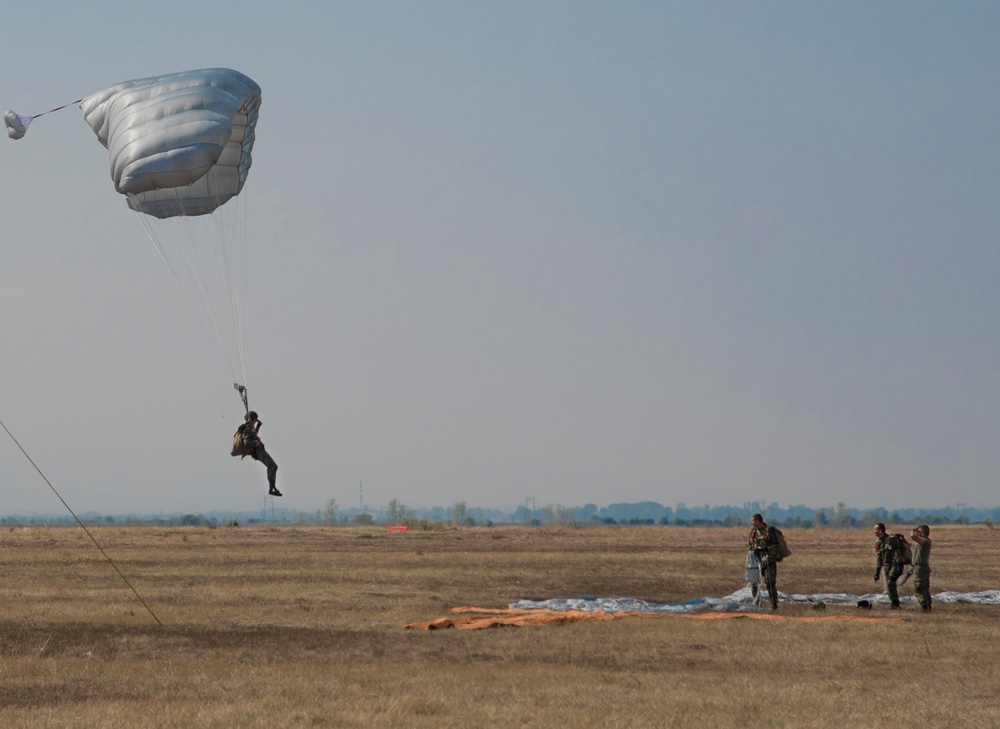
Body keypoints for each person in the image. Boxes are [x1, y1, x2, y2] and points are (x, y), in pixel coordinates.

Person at [231, 410, 281, 496]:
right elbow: (247, 441)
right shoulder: (247, 429)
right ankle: (272, 488)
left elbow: (253, 435)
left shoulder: (250, 428)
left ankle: (272, 488)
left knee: (272, 466)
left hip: (259, 450)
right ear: (252, 419)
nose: (255, 422)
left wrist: (258, 426)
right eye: (255, 420)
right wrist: (256, 443)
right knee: (272, 465)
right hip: (257, 451)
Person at [747, 513, 780, 610]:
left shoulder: (769, 530)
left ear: (757, 521)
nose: (752, 523)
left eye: (753, 521)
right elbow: (750, 544)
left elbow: (776, 546)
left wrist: (765, 549)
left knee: (770, 583)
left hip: (768, 561)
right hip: (756, 561)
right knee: (754, 584)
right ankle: (757, 605)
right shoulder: (753, 531)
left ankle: (774, 605)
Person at [873, 522, 903, 609]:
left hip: (895, 565)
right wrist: (877, 571)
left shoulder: (891, 540)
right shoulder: (878, 542)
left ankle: (895, 603)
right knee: (889, 585)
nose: (874, 531)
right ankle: (895, 602)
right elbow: (879, 557)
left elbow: (897, 553)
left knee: (890, 582)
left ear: (880, 530)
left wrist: (900, 565)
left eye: (875, 529)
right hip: (886, 567)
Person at [910, 524, 932, 612]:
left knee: (919, 588)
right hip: (923, 568)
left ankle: (924, 607)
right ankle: (928, 606)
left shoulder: (925, 541)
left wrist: (913, 530)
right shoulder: (926, 541)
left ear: (922, 533)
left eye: (919, 531)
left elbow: (912, 536)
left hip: (920, 568)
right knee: (925, 589)